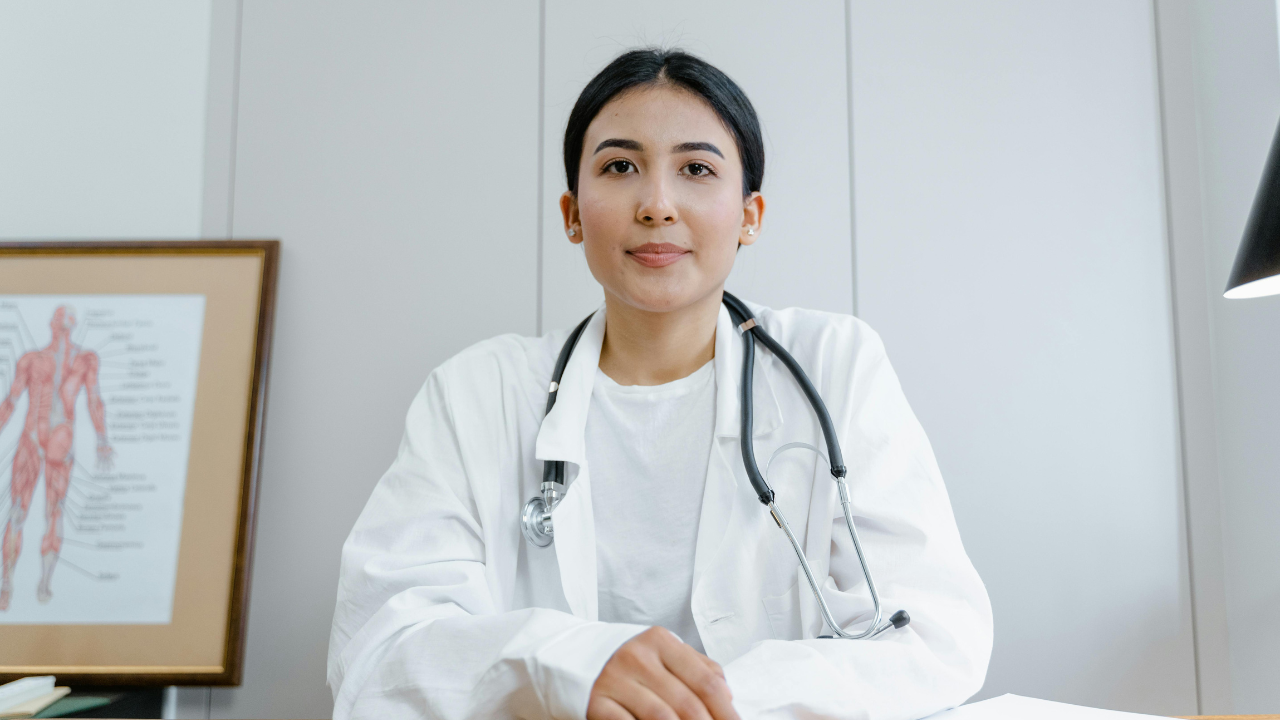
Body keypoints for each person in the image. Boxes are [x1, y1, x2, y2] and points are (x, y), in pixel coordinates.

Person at [327, 48, 992, 720]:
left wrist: (709, 705)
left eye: (697, 169)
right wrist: (572, 668)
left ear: (750, 215)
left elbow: (931, 634)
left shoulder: (832, 365)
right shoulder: (478, 393)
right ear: (572, 213)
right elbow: (380, 650)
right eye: (620, 166)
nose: (656, 204)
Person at [0, 305, 112, 610]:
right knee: (18, 512)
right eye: (60, 321)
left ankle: (45, 582)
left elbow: (94, 399)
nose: (62, 327)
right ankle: (7, 582)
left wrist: (102, 438)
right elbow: (10, 401)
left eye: (67, 323)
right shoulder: (32, 360)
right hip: (31, 442)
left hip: (59, 447)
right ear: (51, 323)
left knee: (55, 513)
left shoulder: (86, 361)